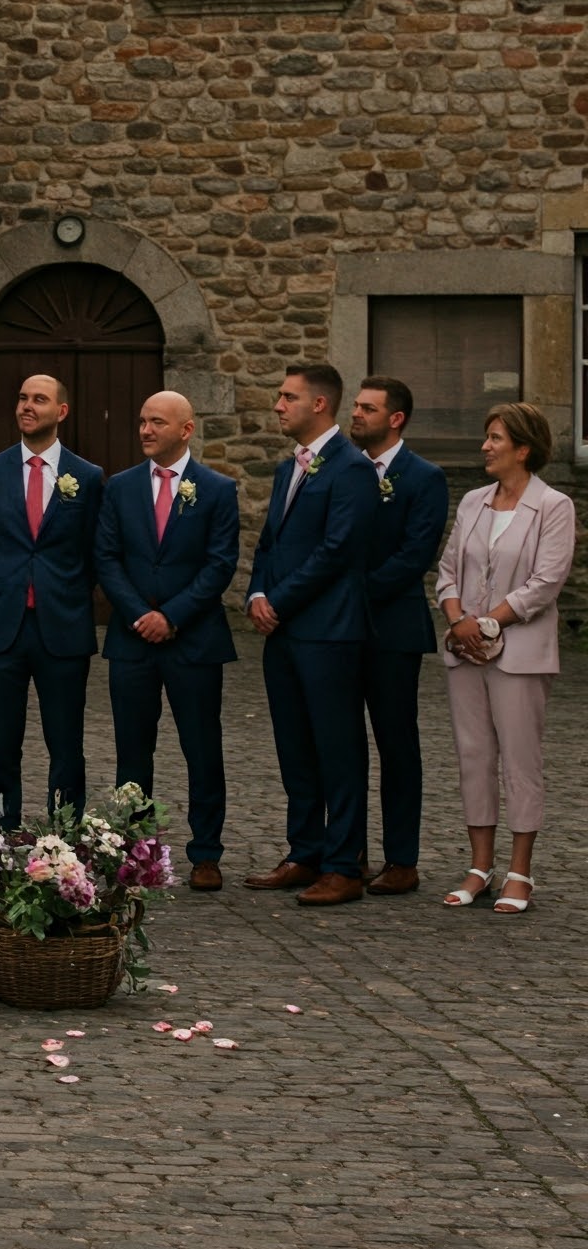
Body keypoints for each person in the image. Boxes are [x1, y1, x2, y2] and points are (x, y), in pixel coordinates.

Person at [242, 363, 378, 905]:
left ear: (319, 405)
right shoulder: (285, 470)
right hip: (284, 632)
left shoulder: (352, 469)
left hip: (330, 631)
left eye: (287, 397)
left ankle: (344, 865)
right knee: (294, 746)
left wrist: (280, 599)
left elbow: (337, 552)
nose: (278, 405)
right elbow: (270, 543)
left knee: (338, 749)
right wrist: (255, 593)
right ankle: (305, 851)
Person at [94, 391, 239, 890]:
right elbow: (107, 558)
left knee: (202, 748)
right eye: (141, 420)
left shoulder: (218, 489)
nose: (145, 430)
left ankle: (206, 853)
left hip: (193, 639)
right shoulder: (121, 487)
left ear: (186, 429)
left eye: (157, 422)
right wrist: (139, 614)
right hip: (132, 639)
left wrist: (172, 616)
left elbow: (220, 563)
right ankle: (135, 850)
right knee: (133, 749)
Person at [437, 402, 577, 916]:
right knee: (474, 756)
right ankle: (479, 867)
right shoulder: (472, 501)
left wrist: (488, 621)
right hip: (463, 650)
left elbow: (546, 582)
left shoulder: (554, 506)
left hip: (520, 654)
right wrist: (458, 623)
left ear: (523, 448)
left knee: (521, 761)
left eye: (495, 438)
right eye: (485, 437)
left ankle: (520, 871)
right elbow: (448, 568)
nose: (485, 447)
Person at [0, 373, 103, 827]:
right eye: (22, 397)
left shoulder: (88, 477)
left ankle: (65, 827)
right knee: (1, 736)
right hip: (1, 626)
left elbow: (96, 552)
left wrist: (64, 592)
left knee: (66, 738)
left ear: (60, 411)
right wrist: (8, 586)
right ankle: (4, 822)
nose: (27, 406)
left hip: (63, 626)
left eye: (39, 399)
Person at [349, 375, 450, 896]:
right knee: (343, 744)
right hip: (339, 632)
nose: (356, 414)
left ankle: (403, 859)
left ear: (396, 419)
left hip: (393, 627)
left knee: (396, 742)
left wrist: (350, 592)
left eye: (368, 408)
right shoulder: (340, 470)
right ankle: (350, 851)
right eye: (356, 406)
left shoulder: (423, 477)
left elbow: (415, 556)